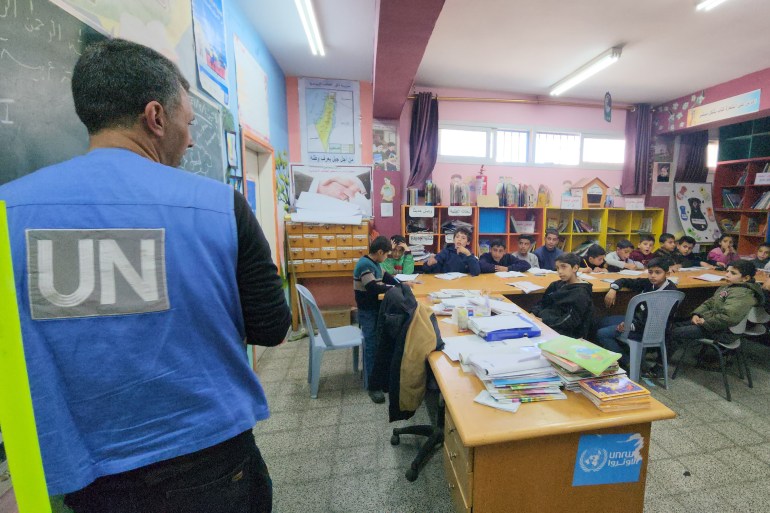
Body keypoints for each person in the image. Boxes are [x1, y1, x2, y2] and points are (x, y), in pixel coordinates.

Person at [0, 39, 290, 512]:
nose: (191, 139)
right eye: (187, 123)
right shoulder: (219, 205)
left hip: (85, 471)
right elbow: (271, 327)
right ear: (155, 117)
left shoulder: (8, 209)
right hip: (210, 455)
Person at [594, 257, 678, 369]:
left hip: (649, 330)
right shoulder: (650, 283)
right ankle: (629, 355)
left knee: (602, 333)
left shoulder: (669, 293)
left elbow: (654, 320)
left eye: (658, 272)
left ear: (667, 274)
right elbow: (625, 281)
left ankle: (627, 362)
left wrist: (629, 326)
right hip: (637, 321)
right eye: (650, 272)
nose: (653, 275)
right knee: (602, 321)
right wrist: (613, 288)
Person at [670, 260, 763, 358]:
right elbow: (710, 302)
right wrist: (697, 314)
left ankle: (660, 365)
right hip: (714, 324)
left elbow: (729, 317)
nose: (727, 275)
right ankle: (661, 356)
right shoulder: (730, 286)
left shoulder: (743, 294)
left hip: (725, 332)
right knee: (674, 325)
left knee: (675, 332)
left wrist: (705, 322)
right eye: (727, 271)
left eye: (733, 273)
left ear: (746, 278)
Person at [354, 236, 400, 403]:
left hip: (375, 310)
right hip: (368, 311)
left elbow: (385, 276)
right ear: (380, 252)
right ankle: (372, 386)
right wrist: (394, 288)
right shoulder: (365, 264)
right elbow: (372, 287)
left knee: (381, 342)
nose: (387, 257)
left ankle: (380, 378)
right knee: (372, 345)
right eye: (387, 254)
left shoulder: (375, 263)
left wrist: (399, 284)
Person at [530, 253, 593, 338]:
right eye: (557, 268)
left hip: (565, 332)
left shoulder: (580, 293)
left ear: (575, 268)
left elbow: (570, 321)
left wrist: (543, 321)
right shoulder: (556, 285)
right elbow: (543, 303)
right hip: (545, 323)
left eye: (563, 267)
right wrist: (533, 313)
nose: (559, 271)